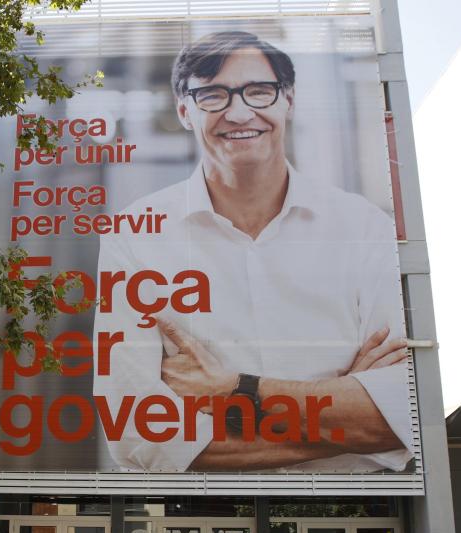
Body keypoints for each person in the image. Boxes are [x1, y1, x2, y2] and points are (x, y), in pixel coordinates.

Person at [93, 30, 413, 473]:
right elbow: (136, 430)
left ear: (289, 100)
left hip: (355, 519)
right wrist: (344, 418)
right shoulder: (135, 235)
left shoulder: (364, 228)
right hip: (204, 515)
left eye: (259, 92)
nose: (239, 111)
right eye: (213, 95)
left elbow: (406, 408)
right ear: (185, 110)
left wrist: (230, 391)